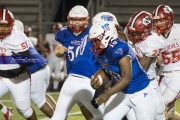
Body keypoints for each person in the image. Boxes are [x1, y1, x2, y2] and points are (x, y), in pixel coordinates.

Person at [89, 21, 155, 120]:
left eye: (96, 40)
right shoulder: (101, 52)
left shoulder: (118, 48)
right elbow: (109, 71)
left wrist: (107, 94)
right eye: (93, 41)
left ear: (107, 37)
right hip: (123, 93)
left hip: (141, 92)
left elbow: (127, 77)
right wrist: (99, 79)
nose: (94, 44)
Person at [50, 5, 103, 120]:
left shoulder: (94, 32)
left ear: (86, 20)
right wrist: (58, 53)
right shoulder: (63, 33)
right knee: (102, 116)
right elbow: (59, 52)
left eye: (80, 19)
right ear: (69, 19)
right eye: (74, 19)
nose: (77, 22)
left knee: (58, 117)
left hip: (72, 83)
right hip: (85, 82)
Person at [125, 11, 166, 120]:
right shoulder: (128, 33)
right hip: (129, 80)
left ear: (147, 30)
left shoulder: (153, 41)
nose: (133, 36)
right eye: (131, 32)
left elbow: (141, 68)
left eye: (137, 33)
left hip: (148, 81)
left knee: (158, 113)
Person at [14, 19, 57, 117]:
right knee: (42, 95)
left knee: (38, 99)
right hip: (43, 67)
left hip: (35, 70)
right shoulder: (24, 37)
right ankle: (60, 114)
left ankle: (57, 118)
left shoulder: (14, 39)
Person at [0, 9, 37, 120]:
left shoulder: (18, 37)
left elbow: (30, 60)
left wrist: (8, 60)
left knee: (24, 111)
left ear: (11, 26)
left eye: (5, 26)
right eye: (0, 26)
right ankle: (5, 111)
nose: (2, 30)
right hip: (2, 77)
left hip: (18, 78)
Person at [152, 4, 180, 119]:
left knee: (160, 106)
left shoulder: (178, 30)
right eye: (156, 21)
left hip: (178, 75)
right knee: (167, 113)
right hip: (163, 75)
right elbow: (157, 60)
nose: (158, 24)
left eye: (161, 21)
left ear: (169, 19)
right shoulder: (153, 35)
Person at [45, 23, 66, 92]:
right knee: (48, 73)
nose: (57, 31)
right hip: (51, 57)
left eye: (58, 30)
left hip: (59, 58)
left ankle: (55, 89)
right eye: (56, 29)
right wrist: (45, 50)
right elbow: (41, 43)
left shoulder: (64, 37)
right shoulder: (49, 36)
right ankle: (46, 88)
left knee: (57, 73)